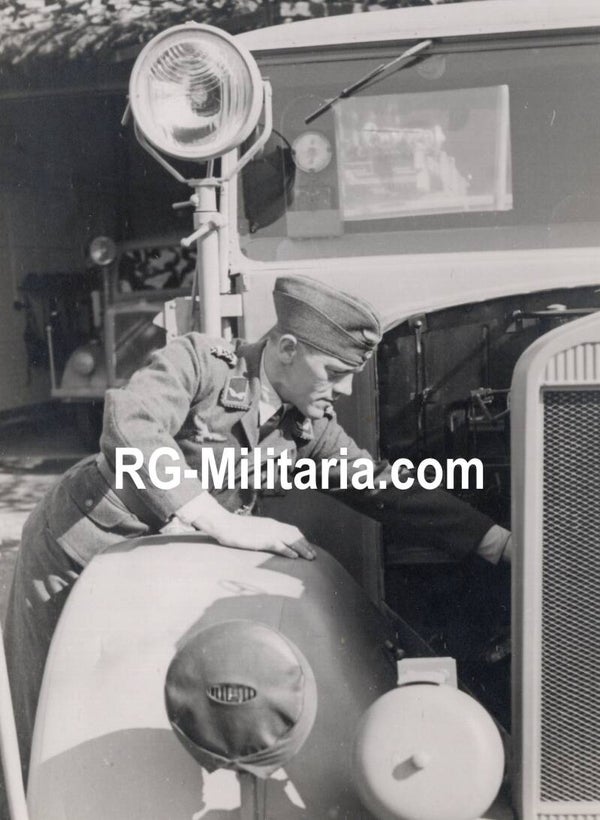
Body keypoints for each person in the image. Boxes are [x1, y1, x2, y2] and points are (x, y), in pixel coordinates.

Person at [4, 274, 511, 781]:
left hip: (159, 568)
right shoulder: (202, 362)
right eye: (334, 371)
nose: (345, 388)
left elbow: (381, 485)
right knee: (48, 713)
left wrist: (499, 543)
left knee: (135, 711)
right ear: (287, 348)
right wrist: (218, 520)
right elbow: (131, 422)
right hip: (81, 547)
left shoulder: (304, 427)